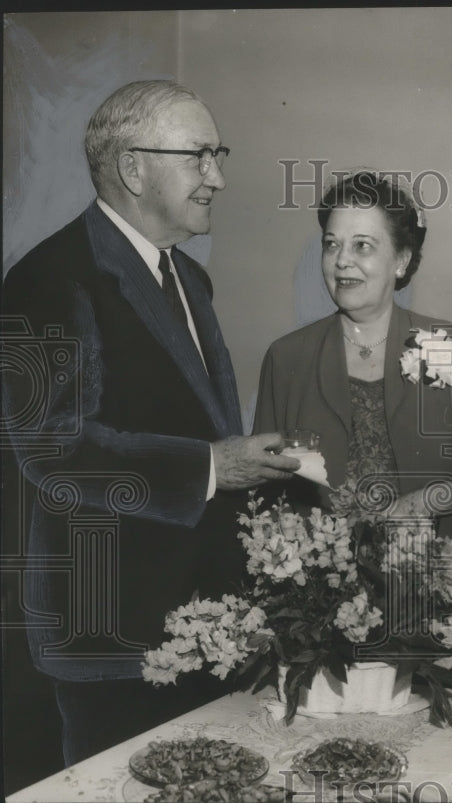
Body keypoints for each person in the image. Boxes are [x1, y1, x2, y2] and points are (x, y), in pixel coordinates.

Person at [1, 80, 300, 765]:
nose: (218, 178)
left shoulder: (191, 279)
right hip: (112, 631)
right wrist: (212, 465)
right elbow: (52, 449)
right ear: (133, 168)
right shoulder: (47, 279)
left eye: (218, 155)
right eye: (199, 156)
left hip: (203, 623)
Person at [253, 170, 452, 550]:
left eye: (362, 246)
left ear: (401, 260)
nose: (342, 261)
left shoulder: (445, 345)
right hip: (315, 576)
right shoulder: (286, 356)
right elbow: (263, 484)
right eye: (331, 245)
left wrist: (425, 502)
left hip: (426, 566)